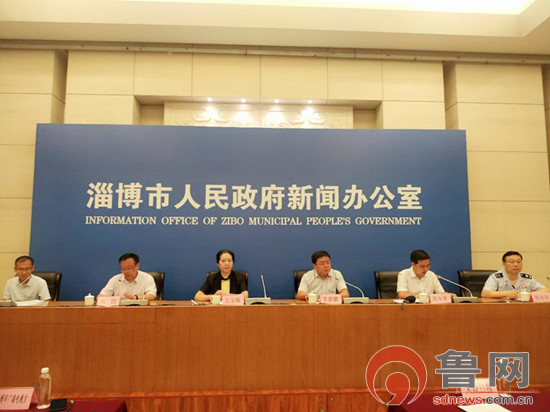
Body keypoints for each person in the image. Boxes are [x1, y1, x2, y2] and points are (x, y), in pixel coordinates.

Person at [481, 251, 549, 299]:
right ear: (503, 263)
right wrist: (507, 294)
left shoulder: (527, 278)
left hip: (523, 308)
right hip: (502, 308)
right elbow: (485, 293)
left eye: (518, 262)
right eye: (512, 262)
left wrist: (527, 294)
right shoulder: (496, 277)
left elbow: (546, 290)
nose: (516, 264)